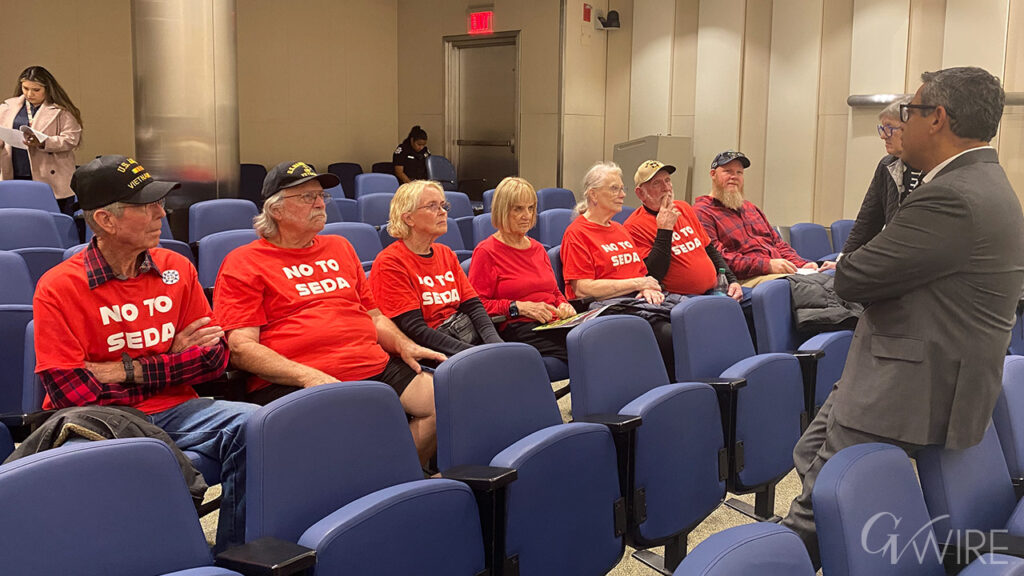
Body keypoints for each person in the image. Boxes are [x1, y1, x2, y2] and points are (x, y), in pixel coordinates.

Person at [781, 66, 1024, 567]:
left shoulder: (950, 196)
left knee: (815, 507)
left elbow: (853, 277)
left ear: (937, 119)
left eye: (909, 112)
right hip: (913, 364)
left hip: (904, 383)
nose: (900, 124)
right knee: (810, 451)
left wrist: (857, 267)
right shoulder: (986, 181)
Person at [32, 155, 256, 551]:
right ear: (106, 220)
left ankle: (234, 555)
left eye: (160, 202)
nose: (161, 212)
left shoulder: (177, 268)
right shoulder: (58, 287)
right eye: (148, 205)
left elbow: (214, 358)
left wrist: (119, 371)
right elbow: (72, 392)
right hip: (97, 420)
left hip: (177, 408)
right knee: (92, 469)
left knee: (263, 425)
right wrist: (171, 360)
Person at [213, 162, 445, 466]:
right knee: (347, 435)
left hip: (370, 364)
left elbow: (374, 316)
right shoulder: (244, 262)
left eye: (322, 196)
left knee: (441, 402)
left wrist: (404, 345)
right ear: (276, 210)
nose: (320, 203)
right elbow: (241, 348)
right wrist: (307, 376)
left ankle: (396, 480)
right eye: (307, 197)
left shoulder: (340, 247)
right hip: (296, 378)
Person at [560, 161, 675, 373]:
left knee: (689, 321)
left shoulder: (620, 230)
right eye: (614, 188)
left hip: (636, 301)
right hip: (605, 309)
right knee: (670, 334)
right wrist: (638, 283)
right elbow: (582, 288)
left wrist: (647, 287)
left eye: (622, 188)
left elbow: (641, 274)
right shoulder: (577, 233)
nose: (622, 194)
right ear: (593, 195)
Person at [370, 180, 503, 356]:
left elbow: (474, 307)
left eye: (443, 205)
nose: (442, 212)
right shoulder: (390, 262)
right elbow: (415, 330)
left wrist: (496, 346)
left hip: (464, 338)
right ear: (408, 218)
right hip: (433, 351)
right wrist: (474, 355)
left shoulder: (445, 253)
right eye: (432, 206)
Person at [468, 176, 576, 361]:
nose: (527, 215)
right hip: (518, 327)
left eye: (531, 208)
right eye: (518, 209)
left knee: (595, 338)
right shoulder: (486, 252)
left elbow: (554, 292)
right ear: (502, 210)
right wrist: (518, 307)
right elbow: (477, 306)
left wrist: (563, 305)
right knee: (584, 348)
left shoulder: (538, 248)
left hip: (554, 323)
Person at [694, 151, 835, 287]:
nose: (734, 176)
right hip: (746, 278)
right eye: (728, 171)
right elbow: (719, 258)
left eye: (739, 173)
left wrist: (801, 264)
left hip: (777, 274)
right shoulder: (703, 212)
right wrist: (767, 265)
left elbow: (778, 244)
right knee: (805, 288)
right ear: (713, 174)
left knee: (828, 280)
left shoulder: (751, 209)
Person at [624, 159, 743, 300]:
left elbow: (709, 249)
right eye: (656, 183)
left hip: (716, 289)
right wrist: (665, 230)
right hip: (682, 299)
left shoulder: (684, 208)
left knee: (758, 299)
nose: (666, 188)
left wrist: (732, 280)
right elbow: (653, 274)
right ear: (640, 194)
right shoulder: (633, 227)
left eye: (667, 180)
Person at [841, 96, 923, 255]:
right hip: (893, 258)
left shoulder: (936, 167)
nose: (883, 136)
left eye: (889, 128)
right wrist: (843, 261)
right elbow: (868, 222)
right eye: (882, 128)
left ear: (910, 129)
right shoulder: (886, 165)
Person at [0, 66, 83, 216]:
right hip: (15, 169)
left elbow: (72, 139)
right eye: (25, 88)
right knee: (19, 217)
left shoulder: (61, 110)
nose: (29, 94)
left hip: (50, 173)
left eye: (36, 90)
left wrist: (44, 142)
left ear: (47, 89)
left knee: (53, 217)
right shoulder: (8, 107)